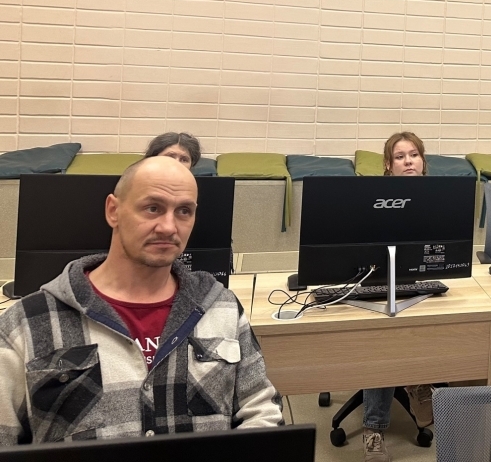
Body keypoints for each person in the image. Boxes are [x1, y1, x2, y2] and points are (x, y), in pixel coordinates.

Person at [0, 156, 283, 445]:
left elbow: (261, 409)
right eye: (153, 208)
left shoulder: (221, 307)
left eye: (184, 211)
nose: (168, 227)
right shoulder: (27, 323)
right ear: (113, 211)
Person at [361, 132, 434, 462]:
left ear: (423, 161)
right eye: (400, 156)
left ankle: (419, 380)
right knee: (385, 332)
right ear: (388, 165)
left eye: (414, 155)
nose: (408, 161)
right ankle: (374, 427)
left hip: (422, 279)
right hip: (377, 280)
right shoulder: (373, 199)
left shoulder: (439, 197)